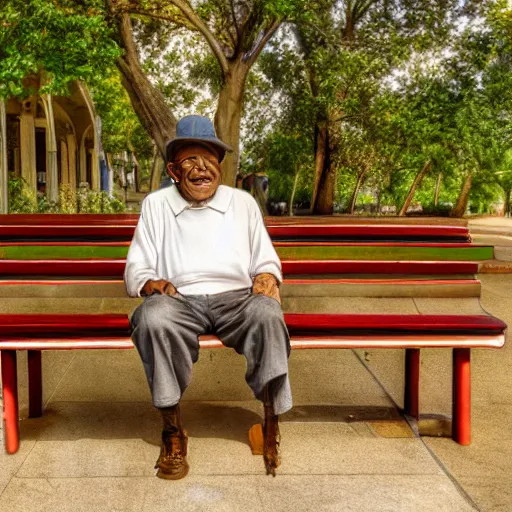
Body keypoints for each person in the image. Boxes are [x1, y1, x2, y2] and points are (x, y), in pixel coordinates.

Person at [124, 115, 292, 480]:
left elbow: (264, 255)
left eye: (209, 159)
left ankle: (271, 424)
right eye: (190, 160)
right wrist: (150, 283)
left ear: (220, 165)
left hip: (236, 300)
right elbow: (138, 263)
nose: (201, 168)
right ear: (172, 169)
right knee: (152, 318)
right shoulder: (156, 205)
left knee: (268, 315)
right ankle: (172, 431)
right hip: (179, 300)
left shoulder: (242, 203)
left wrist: (266, 275)